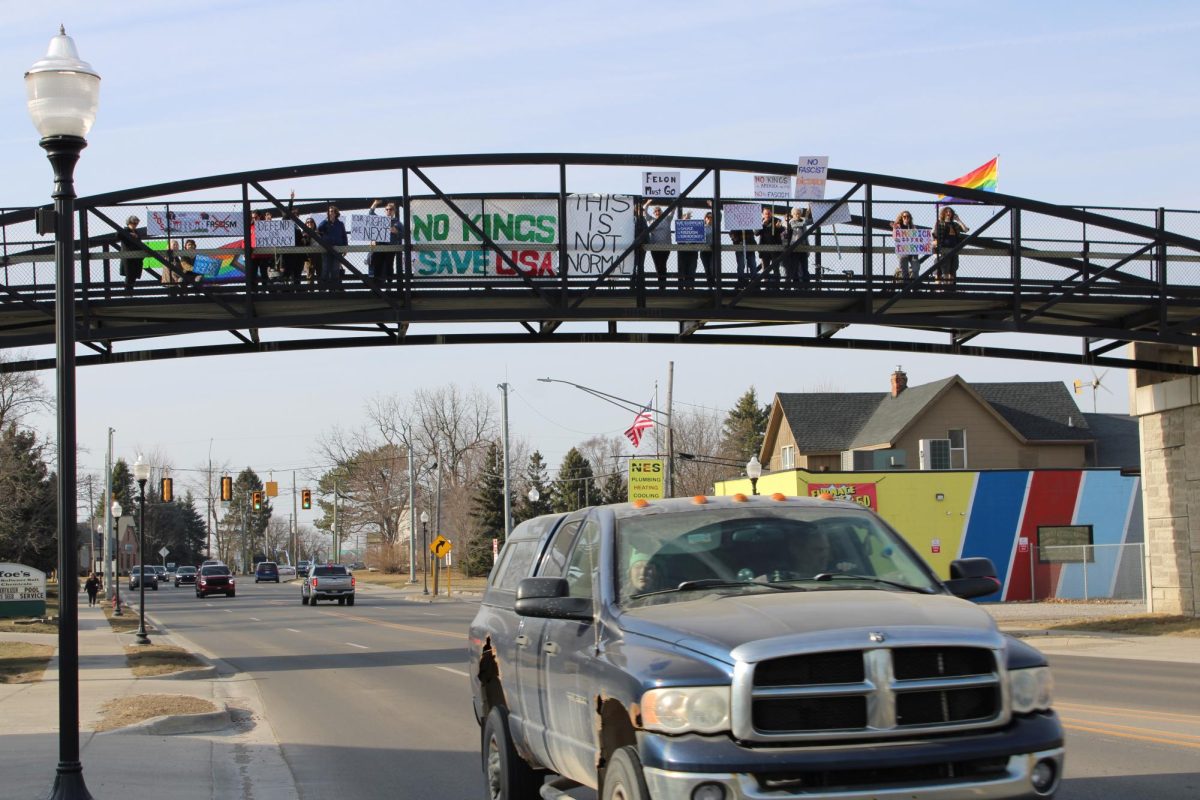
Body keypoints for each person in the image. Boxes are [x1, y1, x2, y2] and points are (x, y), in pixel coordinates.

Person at [368, 199, 405, 283]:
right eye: (387, 209)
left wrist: (396, 232)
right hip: (380, 245)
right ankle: (377, 283)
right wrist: (375, 203)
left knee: (389, 264)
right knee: (377, 263)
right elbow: (370, 214)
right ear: (385, 211)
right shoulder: (381, 220)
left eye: (390, 209)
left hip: (391, 247)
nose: (388, 211)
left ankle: (389, 283)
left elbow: (404, 235)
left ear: (394, 211)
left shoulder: (398, 223)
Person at [932, 206, 969, 286]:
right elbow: (935, 235)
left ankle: (950, 289)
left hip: (954, 249)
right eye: (946, 212)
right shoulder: (940, 223)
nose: (948, 213)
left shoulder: (955, 224)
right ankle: (945, 289)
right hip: (944, 249)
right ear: (943, 213)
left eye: (950, 212)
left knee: (953, 269)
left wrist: (958, 220)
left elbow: (965, 229)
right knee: (945, 270)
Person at [317, 205, 348, 289]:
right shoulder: (325, 223)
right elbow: (319, 229)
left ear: (335, 213)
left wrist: (345, 247)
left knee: (335, 269)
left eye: (331, 211)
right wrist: (326, 220)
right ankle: (323, 288)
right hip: (326, 248)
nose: (330, 213)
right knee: (325, 268)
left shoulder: (340, 224)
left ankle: (335, 288)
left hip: (338, 249)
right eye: (329, 212)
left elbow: (344, 236)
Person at [645, 203, 675, 290]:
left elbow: (672, 210)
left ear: (661, 211)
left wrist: (673, 201)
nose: (657, 212)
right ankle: (660, 285)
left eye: (659, 210)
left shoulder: (667, 219)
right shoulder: (651, 219)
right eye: (655, 211)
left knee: (663, 264)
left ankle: (663, 285)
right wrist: (648, 202)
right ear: (654, 213)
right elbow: (645, 211)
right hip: (654, 247)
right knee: (658, 266)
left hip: (666, 247)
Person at [782, 207, 811, 287]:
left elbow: (808, 225)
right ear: (792, 214)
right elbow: (801, 223)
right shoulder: (790, 222)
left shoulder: (803, 222)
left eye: (798, 213)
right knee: (794, 268)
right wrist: (807, 215)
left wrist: (808, 213)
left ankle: (806, 286)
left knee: (805, 267)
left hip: (803, 247)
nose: (797, 215)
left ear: (800, 214)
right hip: (794, 248)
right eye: (795, 213)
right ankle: (796, 286)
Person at [757, 207, 786, 286]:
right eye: (766, 214)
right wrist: (762, 224)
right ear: (763, 214)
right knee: (765, 269)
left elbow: (783, 230)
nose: (768, 215)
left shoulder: (777, 220)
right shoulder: (760, 221)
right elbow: (756, 233)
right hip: (764, 249)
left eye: (769, 213)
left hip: (775, 249)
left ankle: (776, 286)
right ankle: (766, 286)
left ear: (772, 213)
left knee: (775, 268)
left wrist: (779, 227)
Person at [117, 215, 143, 292]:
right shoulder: (125, 231)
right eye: (134, 223)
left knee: (134, 276)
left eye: (136, 223)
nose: (135, 225)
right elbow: (118, 235)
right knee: (129, 275)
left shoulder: (137, 232)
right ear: (129, 223)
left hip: (136, 258)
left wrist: (136, 236)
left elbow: (139, 242)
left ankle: (130, 292)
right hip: (128, 258)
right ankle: (127, 293)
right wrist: (129, 235)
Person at [893, 210, 919, 283]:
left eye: (908, 216)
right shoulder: (898, 226)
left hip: (912, 250)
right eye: (904, 216)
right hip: (903, 250)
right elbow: (896, 238)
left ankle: (915, 285)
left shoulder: (912, 227)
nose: (906, 218)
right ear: (901, 218)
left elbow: (917, 238)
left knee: (915, 268)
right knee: (904, 269)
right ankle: (906, 286)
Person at [676, 211, 700, 289]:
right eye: (685, 219)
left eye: (689, 219)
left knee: (692, 269)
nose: (687, 221)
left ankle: (690, 286)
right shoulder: (680, 228)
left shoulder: (695, 228)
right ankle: (682, 287)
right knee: (683, 269)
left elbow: (699, 238)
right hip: (683, 252)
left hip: (692, 252)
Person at [699, 210, 716, 285]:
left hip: (713, 251)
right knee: (707, 268)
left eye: (711, 217)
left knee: (712, 267)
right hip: (704, 251)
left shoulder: (715, 228)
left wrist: (712, 206)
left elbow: (720, 216)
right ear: (705, 218)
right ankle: (709, 285)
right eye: (708, 217)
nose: (710, 218)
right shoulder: (702, 228)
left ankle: (713, 283)